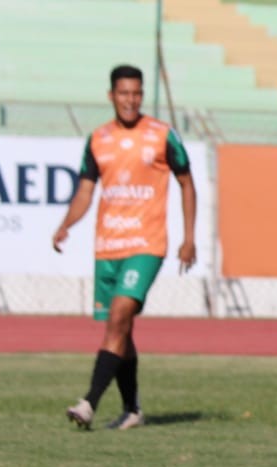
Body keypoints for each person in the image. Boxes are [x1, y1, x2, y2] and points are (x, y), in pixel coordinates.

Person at [52, 64, 197, 430]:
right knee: (122, 332)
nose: (130, 100)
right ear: (111, 95)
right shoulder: (98, 139)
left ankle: (88, 403)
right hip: (108, 246)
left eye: (136, 93)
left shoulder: (163, 135)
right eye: (123, 93)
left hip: (146, 244)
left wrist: (189, 237)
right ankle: (132, 409)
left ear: (142, 95)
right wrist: (67, 224)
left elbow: (186, 183)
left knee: (117, 319)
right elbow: (86, 189)